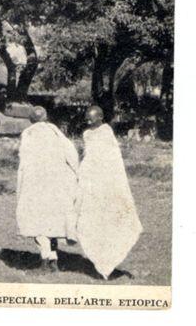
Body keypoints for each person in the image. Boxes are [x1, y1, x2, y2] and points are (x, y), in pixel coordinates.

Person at [76, 106, 143, 279]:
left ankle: (108, 263)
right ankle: (99, 264)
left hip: (106, 184)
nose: (89, 122)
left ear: (100, 118)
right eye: (87, 119)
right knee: (91, 222)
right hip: (90, 185)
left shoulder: (106, 133)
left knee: (110, 222)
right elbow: (87, 157)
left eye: (92, 119)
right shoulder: (87, 134)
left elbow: (112, 161)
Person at [16, 106, 79, 271]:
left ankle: (45, 261)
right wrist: (75, 176)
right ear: (45, 117)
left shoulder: (28, 134)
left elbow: (24, 160)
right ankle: (53, 259)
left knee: (37, 220)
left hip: (36, 184)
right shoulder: (56, 132)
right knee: (51, 221)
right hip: (57, 184)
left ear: (31, 119)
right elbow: (72, 156)